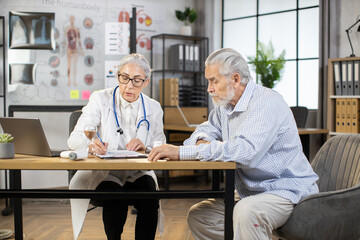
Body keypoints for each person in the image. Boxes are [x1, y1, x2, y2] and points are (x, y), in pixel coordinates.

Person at [148, 48, 319, 240]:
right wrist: (203, 144)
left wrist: (182, 152)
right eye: (208, 81)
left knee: (247, 212)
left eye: (214, 81)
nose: (209, 88)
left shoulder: (266, 103)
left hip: (285, 190)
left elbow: (245, 153)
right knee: (201, 216)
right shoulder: (225, 106)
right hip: (251, 192)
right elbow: (200, 133)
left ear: (235, 79)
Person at [68, 53, 166, 240]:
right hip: (104, 171)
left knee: (150, 196)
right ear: (118, 76)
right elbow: (74, 139)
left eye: (137, 81)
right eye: (124, 78)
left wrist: (145, 147)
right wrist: (91, 145)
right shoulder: (100, 99)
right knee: (116, 198)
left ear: (146, 82)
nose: (129, 86)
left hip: (137, 171)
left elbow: (160, 145)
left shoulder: (153, 108)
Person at [64, 15, 83, 86]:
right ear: (69, 20)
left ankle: (74, 80)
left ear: (74, 20)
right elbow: (65, 40)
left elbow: (79, 40)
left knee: (74, 65)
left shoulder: (77, 29)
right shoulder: (67, 29)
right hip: (69, 48)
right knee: (69, 65)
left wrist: (81, 50)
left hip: (75, 49)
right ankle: (69, 80)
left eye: (72, 19)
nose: (71, 20)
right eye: (70, 19)